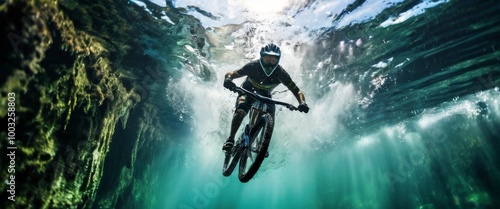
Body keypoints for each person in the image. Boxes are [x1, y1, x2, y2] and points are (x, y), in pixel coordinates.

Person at [222, 43, 310, 151]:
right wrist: (228, 79)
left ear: (278, 60)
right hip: (247, 91)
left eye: (273, 60)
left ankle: (262, 145)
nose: (269, 64)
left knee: (270, 114)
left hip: (265, 95)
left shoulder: (281, 73)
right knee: (241, 110)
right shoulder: (253, 66)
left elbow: (296, 90)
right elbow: (232, 73)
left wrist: (302, 103)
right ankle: (230, 139)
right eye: (267, 59)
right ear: (261, 57)